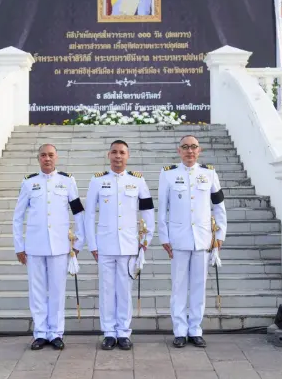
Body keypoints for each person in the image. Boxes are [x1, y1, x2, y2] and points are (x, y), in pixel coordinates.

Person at [80, 140, 155, 350]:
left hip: (129, 245)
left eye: (122, 152)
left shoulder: (137, 180)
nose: (118, 156)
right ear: (108, 155)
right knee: (106, 290)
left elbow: (148, 211)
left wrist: (145, 241)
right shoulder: (97, 181)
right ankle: (109, 333)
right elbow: (89, 214)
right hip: (104, 244)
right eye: (114, 152)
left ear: (127, 156)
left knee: (124, 290)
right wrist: (92, 244)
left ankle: (123, 332)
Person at [12, 143, 85, 351]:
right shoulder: (29, 183)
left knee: (57, 291)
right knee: (37, 292)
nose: (47, 158)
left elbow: (78, 212)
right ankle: (40, 333)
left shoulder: (67, 181)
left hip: (60, 246)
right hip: (34, 246)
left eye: (51, 155)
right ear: (38, 158)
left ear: (56, 157)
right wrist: (19, 246)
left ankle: (56, 333)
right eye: (43, 155)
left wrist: (79, 241)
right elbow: (18, 217)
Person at [157, 135, 227, 348]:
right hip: (178, 239)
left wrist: (220, 235)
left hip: (203, 239)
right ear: (179, 150)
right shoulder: (168, 174)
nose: (190, 151)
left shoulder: (209, 173)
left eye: (193, 147)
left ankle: (195, 329)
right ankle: (179, 331)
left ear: (199, 150)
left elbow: (219, 206)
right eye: (185, 147)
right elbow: (162, 208)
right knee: (178, 287)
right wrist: (164, 236)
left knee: (199, 287)